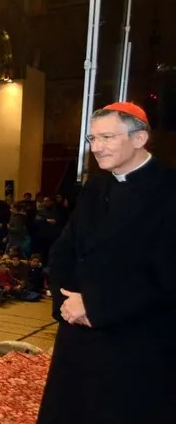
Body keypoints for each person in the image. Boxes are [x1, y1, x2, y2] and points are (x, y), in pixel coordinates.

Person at [39, 102, 176, 423]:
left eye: (107, 138)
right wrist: (66, 303)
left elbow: (167, 273)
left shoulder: (169, 189)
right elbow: (65, 250)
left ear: (140, 138)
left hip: (135, 338)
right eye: (92, 139)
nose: (96, 148)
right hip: (79, 330)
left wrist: (96, 306)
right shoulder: (96, 185)